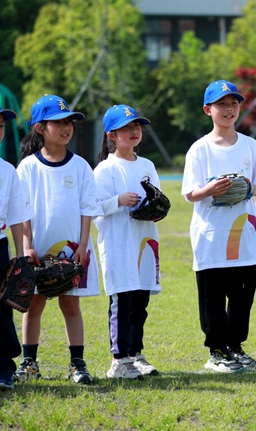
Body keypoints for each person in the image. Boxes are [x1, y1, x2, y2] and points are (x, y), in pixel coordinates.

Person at [182, 80, 256, 373]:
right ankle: (217, 351)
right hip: (211, 234)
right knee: (213, 295)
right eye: (222, 104)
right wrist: (210, 189)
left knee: (242, 294)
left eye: (233, 103)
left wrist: (245, 188)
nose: (229, 109)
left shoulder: (250, 145)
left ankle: (235, 346)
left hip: (245, 232)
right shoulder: (199, 149)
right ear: (208, 110)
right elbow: (190, 193)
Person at [16, 95, 100, 385]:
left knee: (71, 305)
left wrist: (84, 246)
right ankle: (29, 362)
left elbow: (88, 210)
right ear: (40, 128)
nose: (66, 127)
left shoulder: (80, 167)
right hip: (38, 248)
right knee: (33, 305)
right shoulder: (28, 167)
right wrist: (27, 246)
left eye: (69, 122)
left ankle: (77, 363)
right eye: (58, 122)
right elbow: (21, 210)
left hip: (72, 250)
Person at [93, 105, 163, 380]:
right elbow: (94, 206)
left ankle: (135, 355)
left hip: (144, 239)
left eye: (137, 126)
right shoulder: (105, 169)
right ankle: (119, 360)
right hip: (119, 242)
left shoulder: (147, 165)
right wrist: (118, 201)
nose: (134, 131)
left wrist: (156, 207)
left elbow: (157, 197)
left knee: (140, 300)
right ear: (111, 134)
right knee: (122, 300)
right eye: (126, 127)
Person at [0, 99, 32, 391]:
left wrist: (21, 259)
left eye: (0, 126)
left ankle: (3, 369)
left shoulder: (6, 169)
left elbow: (16, 217)